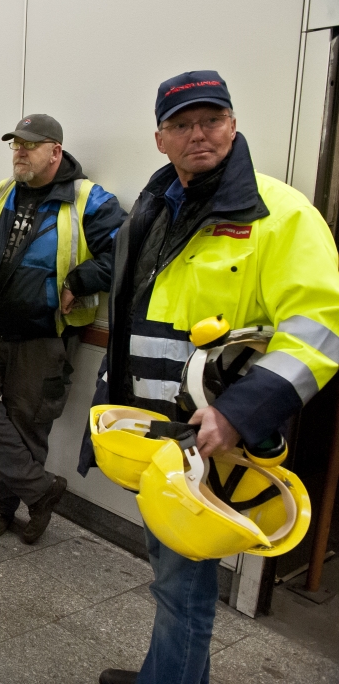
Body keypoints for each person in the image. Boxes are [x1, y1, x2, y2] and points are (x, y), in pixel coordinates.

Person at [91, 72, 339, 684]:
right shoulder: (151, 207)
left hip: (211, 433)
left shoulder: (279, 214)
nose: (198, 134)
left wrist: (239, 412)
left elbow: (320, 330)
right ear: (160, 139)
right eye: (182, 124)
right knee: (169, 564)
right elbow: (133, 316)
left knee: (181, 581)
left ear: (233, 124)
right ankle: (164, 672)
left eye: (212, 119)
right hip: (153, 427)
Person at [0, 114, 126, 544]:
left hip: (43, 334)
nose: (19, 152)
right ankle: (41, 489)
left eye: (29, 145)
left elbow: (123, 254)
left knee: (26, 423)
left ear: (55, 151)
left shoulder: (90, 200)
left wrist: (78, 281)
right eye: (15, 145)